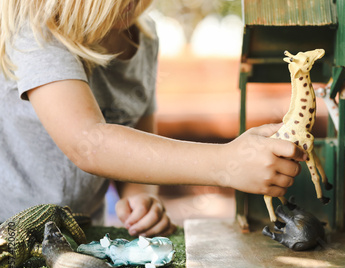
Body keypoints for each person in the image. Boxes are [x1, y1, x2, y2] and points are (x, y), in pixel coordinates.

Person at [0, 0, 305, 237]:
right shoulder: (36, 34)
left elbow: (138, 141)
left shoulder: (143, 37)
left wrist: (142, 197)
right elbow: (88, 144)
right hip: (9, 231)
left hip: (77, 232)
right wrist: (226, 163)